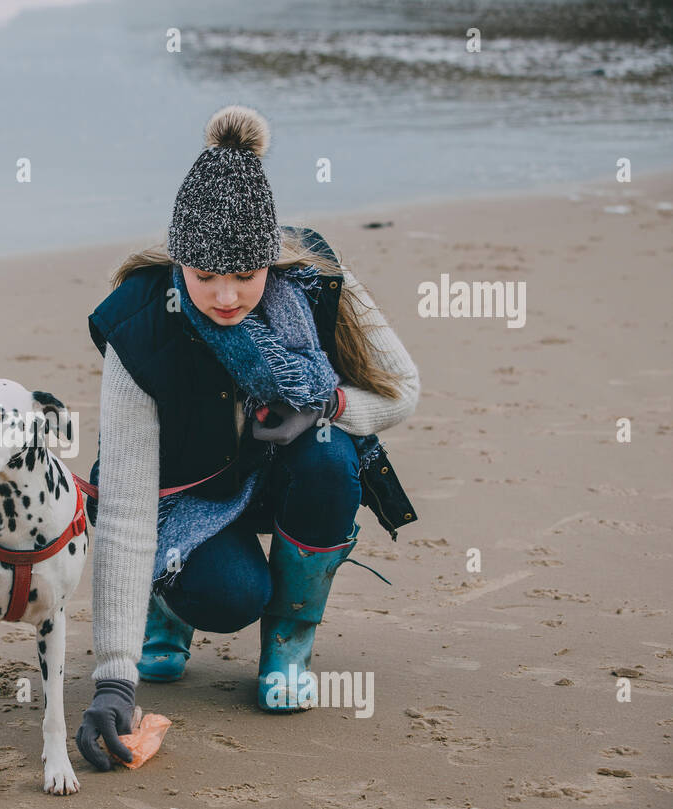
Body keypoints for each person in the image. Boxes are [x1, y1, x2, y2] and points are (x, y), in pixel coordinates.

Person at [75, 105, 421, 771]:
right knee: (229, 597)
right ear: (180, 260)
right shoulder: (140, 323)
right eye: (204, 277)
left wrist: (327, 404)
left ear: (272, 258)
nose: (226, 296)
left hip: (285, 476)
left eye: (245, 276)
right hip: (182, 494)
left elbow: (402, 389)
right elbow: (123, 504)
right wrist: (115, 681)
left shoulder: (317, 281)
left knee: (327, 456)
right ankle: (163, 611)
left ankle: (289, 645)